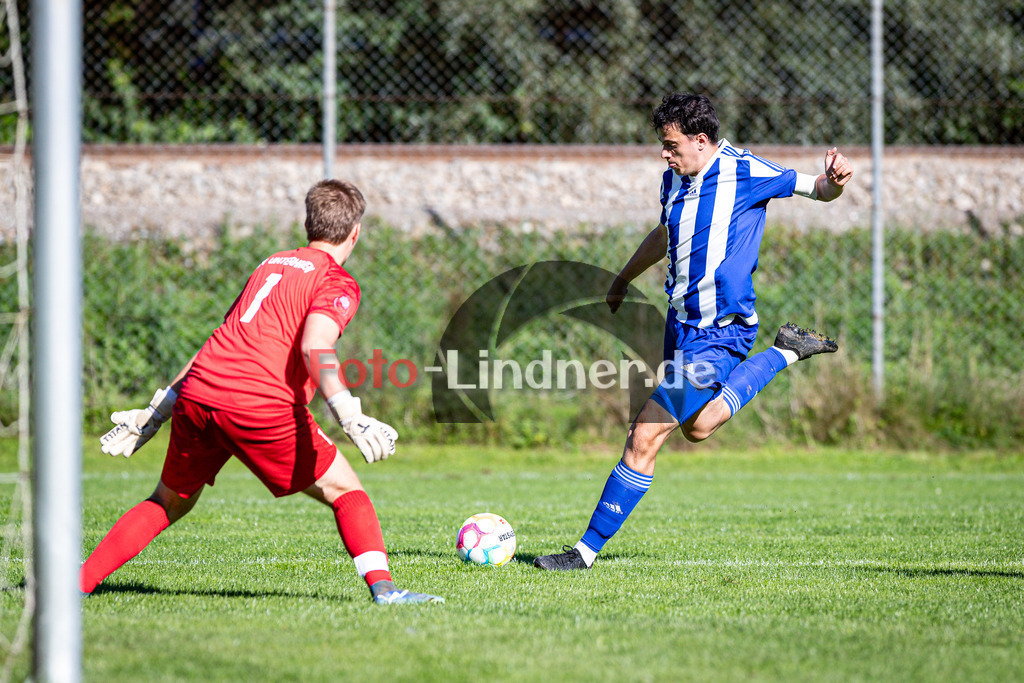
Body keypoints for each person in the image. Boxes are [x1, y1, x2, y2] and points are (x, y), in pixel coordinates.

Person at [82, 179, 443, 604]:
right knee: (347, 492)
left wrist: (158, 408)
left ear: (308, 223)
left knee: (168, 502)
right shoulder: (336, 280)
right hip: (258, 403)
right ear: (355, 232)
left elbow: (221, 338)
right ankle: (386, 591)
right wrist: (350, 414)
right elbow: (315, 345)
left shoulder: (271, 264)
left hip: (200, 393)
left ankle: (74, 585)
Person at [534, 93, 854, 571]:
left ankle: (583, 554)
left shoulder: (747, 173)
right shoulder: (674, 180)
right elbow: (665, 232)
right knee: (698, 427)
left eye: (671, 144)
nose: (665, 153)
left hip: (721, 334)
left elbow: (821, 191)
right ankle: (784, 352)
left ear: (701, 141)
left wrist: (835, 180)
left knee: (644, 434)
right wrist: (624, 276)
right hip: (680, 326)